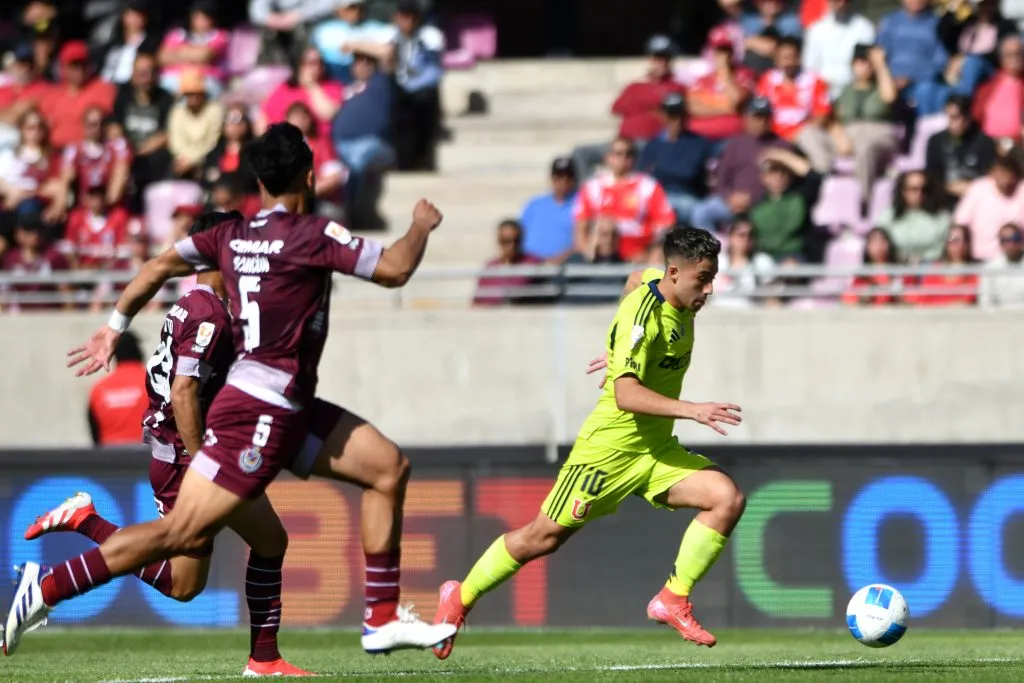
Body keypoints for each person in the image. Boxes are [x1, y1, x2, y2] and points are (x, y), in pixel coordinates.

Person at [3, 122, 456, 658]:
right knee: (180, 542)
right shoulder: (312, 234)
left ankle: (378, 617)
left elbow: (156, 266)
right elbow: (397, 267)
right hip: (258, 411)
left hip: (288, 405)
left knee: (386, 468)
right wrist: (421, 226)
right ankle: (48, 587)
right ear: (309, 176)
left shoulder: (228, 237)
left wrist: (113, 327)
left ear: (259, 183)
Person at [433, 227, 745, 657]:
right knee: (542, 538)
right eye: (703, 278)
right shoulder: (646, 318)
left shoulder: (662, 283)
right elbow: (626, 394)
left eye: (712, 278)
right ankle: (459, 595)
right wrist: (692, 408)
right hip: (607, 453)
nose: (709, 289)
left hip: (654, 451)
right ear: (675, 272)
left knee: (726, 498)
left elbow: (635, 276)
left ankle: (672, 598)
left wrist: (616, 349)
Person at [25, 211, 313, 677]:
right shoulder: (209, 314)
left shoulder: (193, 303)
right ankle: (50, 587)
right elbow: (183, 390)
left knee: (186, 585)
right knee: (264, 541)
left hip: (175, 449)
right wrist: (204, 463)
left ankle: (85, 522)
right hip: (187, 455)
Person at [805, 44, 898, 200]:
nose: (864, 67)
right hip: (848, 135)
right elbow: (832, 118)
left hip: (878, 135)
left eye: (869, 63)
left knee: (865, 148)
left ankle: (862, 201)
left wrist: (881, 65)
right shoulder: (846, 90)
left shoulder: (881, 85)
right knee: (810, 134)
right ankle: (821, 181)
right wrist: (838, 136)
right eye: (860, 62)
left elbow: (890, 97)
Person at [691, 97, 792, 233]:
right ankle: (713, 252)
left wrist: (752, 198)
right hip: (731, 201)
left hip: (764, 204)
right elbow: (721, 178)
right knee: (701, 212)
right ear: (747, 118)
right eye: (756, 117)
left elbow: (784, 183)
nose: (760, 122)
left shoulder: (782, 146)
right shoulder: (735, 143)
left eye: (764, 118)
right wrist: (729, 197)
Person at [573, 137, 676, 263]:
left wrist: (652, 251)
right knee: (605, 225)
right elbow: (581, 228)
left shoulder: (648, 186)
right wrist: (588, 252)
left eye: (629, 154)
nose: (624, 158)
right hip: (602, 252)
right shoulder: (592, 187)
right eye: (618, 154)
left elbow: (666, 223)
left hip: (640, 253)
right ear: (608, 157)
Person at [636, 93, 714, 225]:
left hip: (688, 196)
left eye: (681, 116)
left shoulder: (698, 142)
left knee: (701, 214)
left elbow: (688, 173)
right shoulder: (652, 144)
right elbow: (643, 176)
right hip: (658, 197)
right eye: (672, 115)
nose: (677, 121)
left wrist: (660, 170)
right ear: (664, 116)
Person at [926, 94, 996, 209]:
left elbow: (990, 176)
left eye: (961, 117)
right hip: (944, 202)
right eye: (952, 117)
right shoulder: (936, 141)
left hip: (977, 202)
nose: (957, 123)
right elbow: (931, 176)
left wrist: (973, 188)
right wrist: (950, 186)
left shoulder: (984, 141)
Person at [954, 148, 1024, 261]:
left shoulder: (1021, 190)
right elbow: (960, 222)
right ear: (992, 173)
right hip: (980, 258)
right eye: (999, 171)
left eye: (1007, 171)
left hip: (1015, 260)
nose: (1003, 176)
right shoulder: (978, 188)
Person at [802, 0, 877, 98]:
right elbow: (810, 67)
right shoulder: (815, 30)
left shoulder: (864, 27)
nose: (840, 4)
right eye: (836, 1)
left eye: (844, 1)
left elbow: (867, 65)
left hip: (853, 91)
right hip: (822, 93)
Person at [86, 331, 148, 446]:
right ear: (138, 350)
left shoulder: (99, 388)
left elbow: (94, 431)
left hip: (109, 458)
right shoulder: (153, 382)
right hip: (148, 456)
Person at [875, 171, 951, 263]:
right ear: (903, 190)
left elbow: (942, 247)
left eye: (924, 189)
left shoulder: (941, 217)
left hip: (932, 268)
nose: (920, 193)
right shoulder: (888, 215)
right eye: (914, 189)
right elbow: (881, 242)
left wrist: (923, 260)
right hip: (896, 267)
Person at [472, 219, 545, 307]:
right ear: (499, 241)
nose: (511, 246)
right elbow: (476, 304)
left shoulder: (533, 263)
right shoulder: (490, 267)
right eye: (506, 241)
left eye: (516, 241)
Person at [520, 156, 578, 263]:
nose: (564, 181)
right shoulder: (534, 204)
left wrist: (558, 259)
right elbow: (521, 233)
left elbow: (584, 241)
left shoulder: (581, 203)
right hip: (531, 266)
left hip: (565, 268)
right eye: (559, 176)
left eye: (568, 176)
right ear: (552, 178)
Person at [904, 223, 979, 305]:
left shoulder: (973, 273)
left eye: (962, 240)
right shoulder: (935, 269)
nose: (958, 245)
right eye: (954, 240)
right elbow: (922, 297)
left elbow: (967, 301)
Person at [714, 218, 778, 307]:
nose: (746, 239)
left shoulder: (762, 261)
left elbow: (772, 298)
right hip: (717, 313)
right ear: (730, 237)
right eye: (741, 235)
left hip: (751, 314)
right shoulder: (717, 261)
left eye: (750, 235)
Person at [842, 227, 904, 306]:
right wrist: (862, 299)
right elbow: (848, 302)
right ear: (867, 246)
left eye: (882, 241)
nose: (878, 245)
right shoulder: (861, 275)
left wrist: (898, 296)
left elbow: (912, 303)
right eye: (874, 241)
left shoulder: (900, 272)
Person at [979, 222, 1024, 308]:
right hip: (1000, 318)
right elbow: (986, 302)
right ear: (1000, 243)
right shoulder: (991, 268)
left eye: (1015, 238)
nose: (1011, 244)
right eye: (1005, 240)